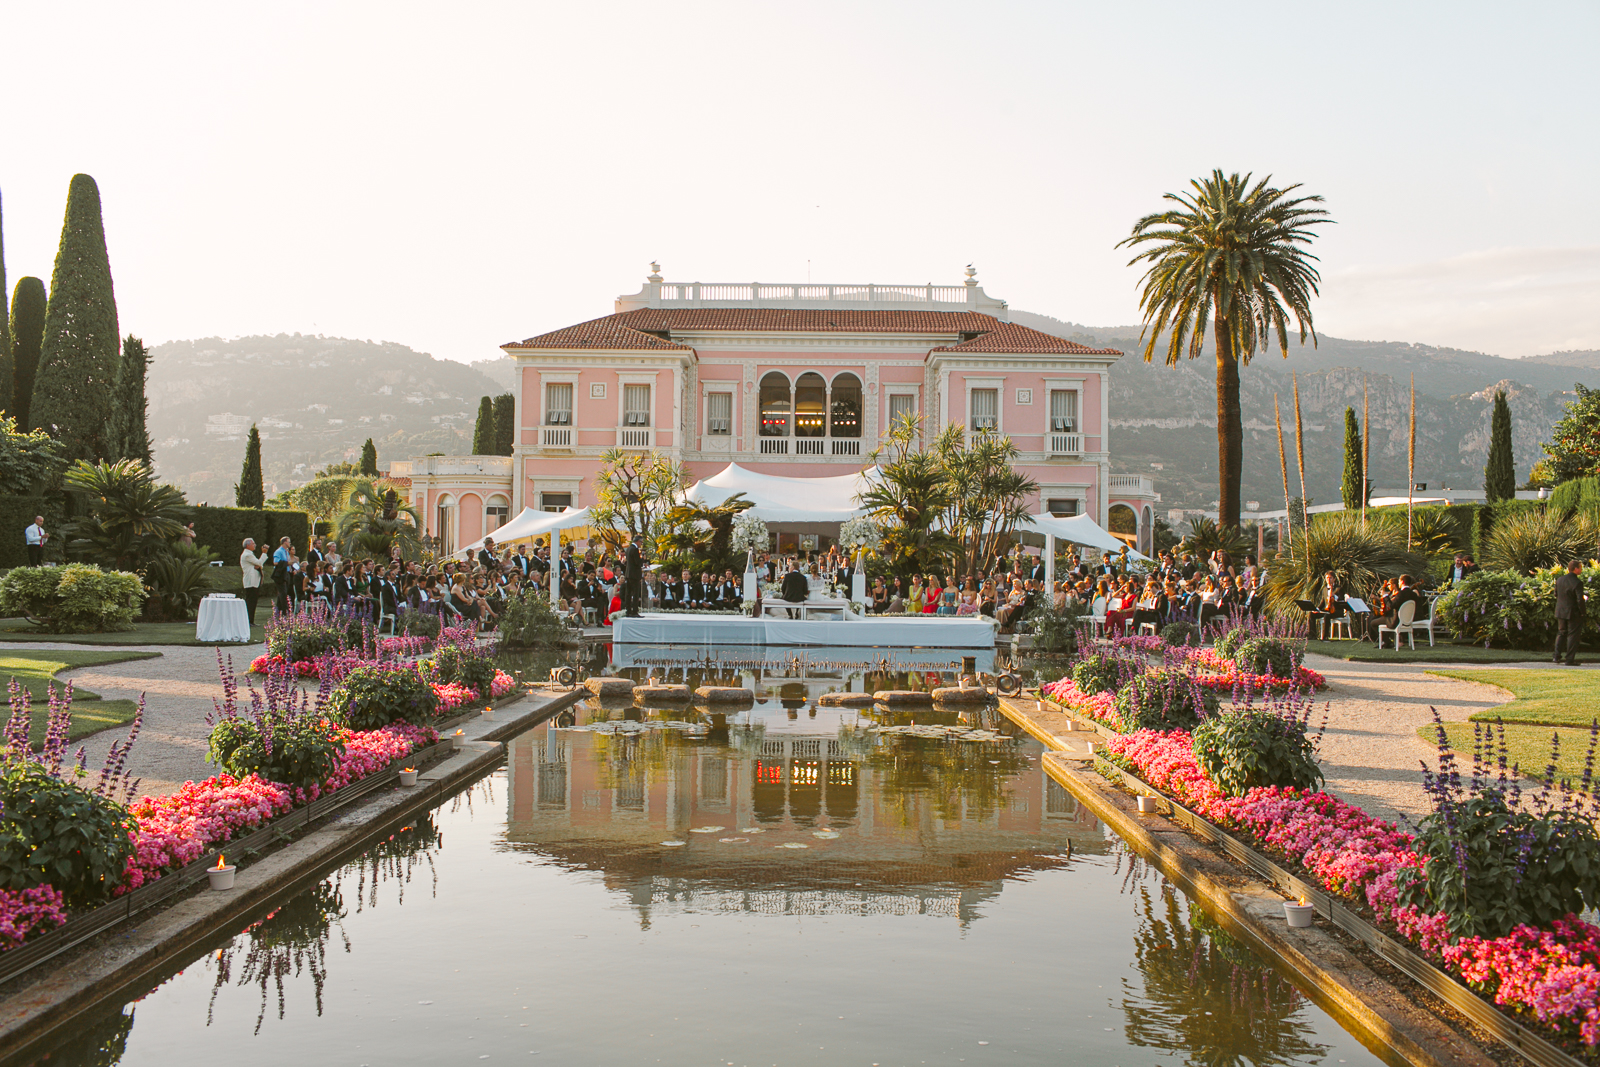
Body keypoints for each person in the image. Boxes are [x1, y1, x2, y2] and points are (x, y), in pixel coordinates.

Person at [1366, 573, 1424, 644]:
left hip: (1396, 620)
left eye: (1399, 581)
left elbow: (1390, 605)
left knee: (1373, 623)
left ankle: (1387, 642)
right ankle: (1389, 641)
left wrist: (1385, 596)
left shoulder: (1401, 594)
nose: (1399, 583)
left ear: (1402, 582)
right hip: (1410, 620)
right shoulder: (1414, 595)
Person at [1554, 560, 1587, 665]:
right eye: (1580, 568)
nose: (1581, 570)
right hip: (1573, 612)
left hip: (1560, 610)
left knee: (1561, 632)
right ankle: (1569, 659)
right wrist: (1583, 612)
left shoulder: (1560, 580)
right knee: (1573, 635)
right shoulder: (1577, 583)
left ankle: (1556, 656)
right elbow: (1579, 600)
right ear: (1575, 569)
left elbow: (1556, 594)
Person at [239, 538, 268, 625]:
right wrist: (264, 553)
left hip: (254, 581)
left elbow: (258, 564)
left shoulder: (250, 554)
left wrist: (259, 565)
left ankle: (251, 621)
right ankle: (248, 621)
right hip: (251, 581)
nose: (255, 545)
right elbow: (259, 562)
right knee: (250, 602)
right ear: (248, 545)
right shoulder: (247, 555)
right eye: (253, 543)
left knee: (253, 602)